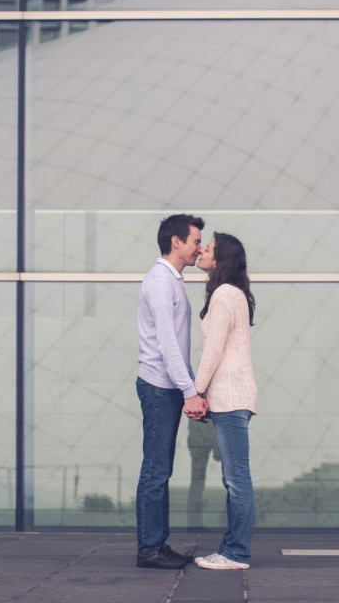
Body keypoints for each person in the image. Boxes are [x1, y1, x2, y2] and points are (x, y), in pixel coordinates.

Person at [135, 213, 209, 570]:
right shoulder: (161, 282)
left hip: (167, 387)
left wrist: (190, 389)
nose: (200, 249)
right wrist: (189, 391)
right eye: (196, 241)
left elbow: (177, 343)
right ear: (176, 242)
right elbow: (168, 344)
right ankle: (149, 549)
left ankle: (157, 545)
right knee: (155, 469)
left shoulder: (171, 281)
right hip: (158, 387)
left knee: (160, 468)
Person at [192, 232, 257, 571]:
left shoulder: (224, 295)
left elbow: (213, 350)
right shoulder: (232, 293)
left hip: (230, 397)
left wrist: (196, 392)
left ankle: (236, 553)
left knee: (236, 479)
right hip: (235, 397)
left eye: (208, 248)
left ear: (220, 259)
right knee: (235, 477)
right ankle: (232, 550)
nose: (201, 251)